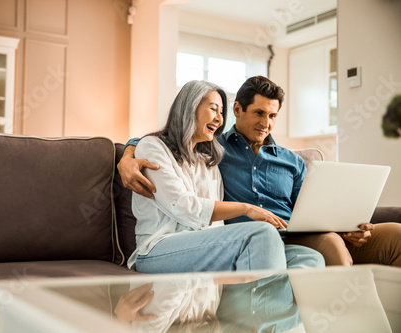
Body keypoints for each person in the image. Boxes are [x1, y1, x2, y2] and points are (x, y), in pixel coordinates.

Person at [119, 76, 401, 267]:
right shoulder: (213, 148)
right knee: (328, 243)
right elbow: (171, 139)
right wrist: (129, 153)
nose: (266, 123)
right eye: (259, 113)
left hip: (298, 232)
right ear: (238, 110)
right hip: (255, 237)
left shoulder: (292, 161)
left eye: (273, 115)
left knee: (395, 234)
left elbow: (314, 208)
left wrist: (348, 225)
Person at [125, 80, 324, 274]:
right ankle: (270, 305)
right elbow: (182, 206)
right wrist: (128, 154)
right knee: (262, 232)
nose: (220, 119)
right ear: (189, 107)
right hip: (158, 247)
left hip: (206, 244)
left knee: (311, 258)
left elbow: (217, 224)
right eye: (213, 109)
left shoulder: (209, 158)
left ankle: (281, 306)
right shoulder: (153, 147)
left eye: (221, 112)